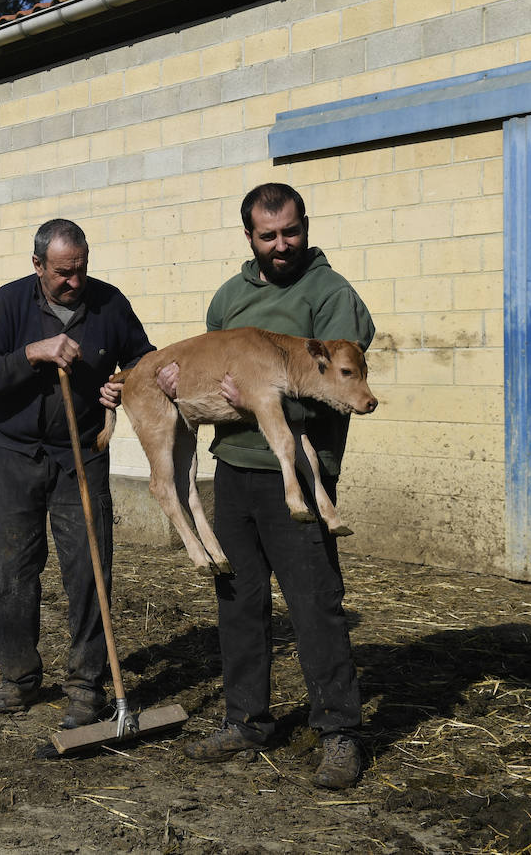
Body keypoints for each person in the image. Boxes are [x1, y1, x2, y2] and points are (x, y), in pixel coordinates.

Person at [157, 182, 374, 789]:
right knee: (238, 600)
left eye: (291, 232)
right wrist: (178, 379)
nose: (281, 245)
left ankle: (339, 732)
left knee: (314, 603)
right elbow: (203, 363)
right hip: (233, 469)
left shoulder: (331, 297)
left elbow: (341, 389)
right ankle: (246, 718)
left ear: (305, 225)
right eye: (267, 235)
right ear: (248, 236)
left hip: (298, 479)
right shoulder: (228, 298)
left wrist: (258, 400)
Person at [0, 218, 155, 730]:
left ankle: (85, 686)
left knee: (90, 571)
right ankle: (19, 677)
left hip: (82, 456)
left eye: (81, 270)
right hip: (17, 457)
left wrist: (123, 383)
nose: (74, 281)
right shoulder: (9, 303)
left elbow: (144, 360)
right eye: (63, 273)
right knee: (14, 570)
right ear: (37, 266)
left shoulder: (109, 303)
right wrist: (34, 352)